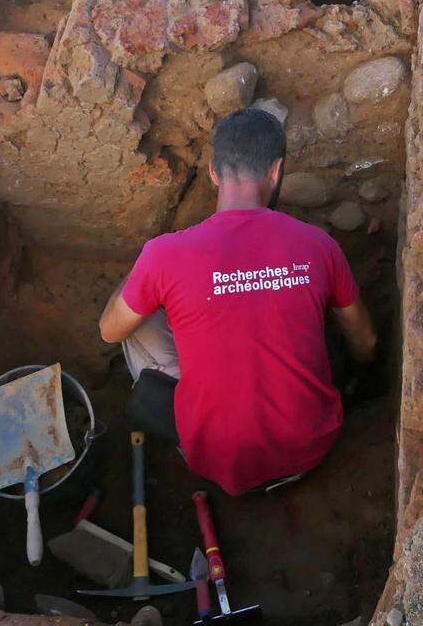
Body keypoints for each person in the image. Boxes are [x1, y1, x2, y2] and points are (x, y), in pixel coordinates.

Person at [98, 107, 378, 496]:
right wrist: (361, 378)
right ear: (276, 171)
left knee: (135, 322)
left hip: (215, 460)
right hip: (310, 447)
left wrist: (145, 269)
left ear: (214, 172)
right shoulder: (319, 245)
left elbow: (109, 331)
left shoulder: (165, 254)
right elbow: (365, 339)